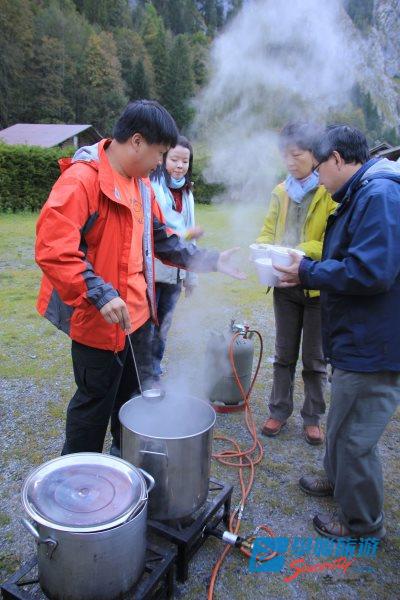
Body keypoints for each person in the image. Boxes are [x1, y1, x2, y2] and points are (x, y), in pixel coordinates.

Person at [35, 100, 245, 456]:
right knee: (93, 406)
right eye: (159, 153)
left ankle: (127, 462)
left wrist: (209, 260)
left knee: (135, 401)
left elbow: (162, 239)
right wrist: (100, 292)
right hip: (98, 321)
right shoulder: (82, 180)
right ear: (136, 141)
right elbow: (54, 250)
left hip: (139, 319)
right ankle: (81, 474)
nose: (160, 163)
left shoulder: (142, 186)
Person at [277, 124, 400, 539]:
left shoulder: (380, 195)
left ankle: (363, 525)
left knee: (355, 437)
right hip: (356, 338)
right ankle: (337, 479)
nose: (316, 177)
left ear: (336, 158)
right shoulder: (360, 193)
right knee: (341, 422)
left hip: (374, 344)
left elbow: (371, 271)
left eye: (318, 167)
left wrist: (308, 271)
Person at [256, 123, 337, 444]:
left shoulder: (329, 191)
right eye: (284, 155)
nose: (289, 162)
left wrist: (298, 251)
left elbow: (332, 242)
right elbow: (268, 230)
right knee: (283, 353)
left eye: (296, 155)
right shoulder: (281, 191)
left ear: (315, 156)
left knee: (315, 359)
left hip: (317, 287)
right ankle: (278, 411)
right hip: (285, 285)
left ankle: (313, 417)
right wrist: (261, 248)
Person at [150, 135, 202, 380]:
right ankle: (143, 375)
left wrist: (191, 278)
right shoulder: (151, 186)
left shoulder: (187, 193)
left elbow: (189, 237)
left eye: (185, 161)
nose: (180, 166)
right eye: (174, 160)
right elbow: (159, 232)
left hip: (176, 272)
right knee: (147, 325)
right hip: (154, 269)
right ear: (163, 159)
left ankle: (154, 371)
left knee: (164, 325)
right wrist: (187, 234)